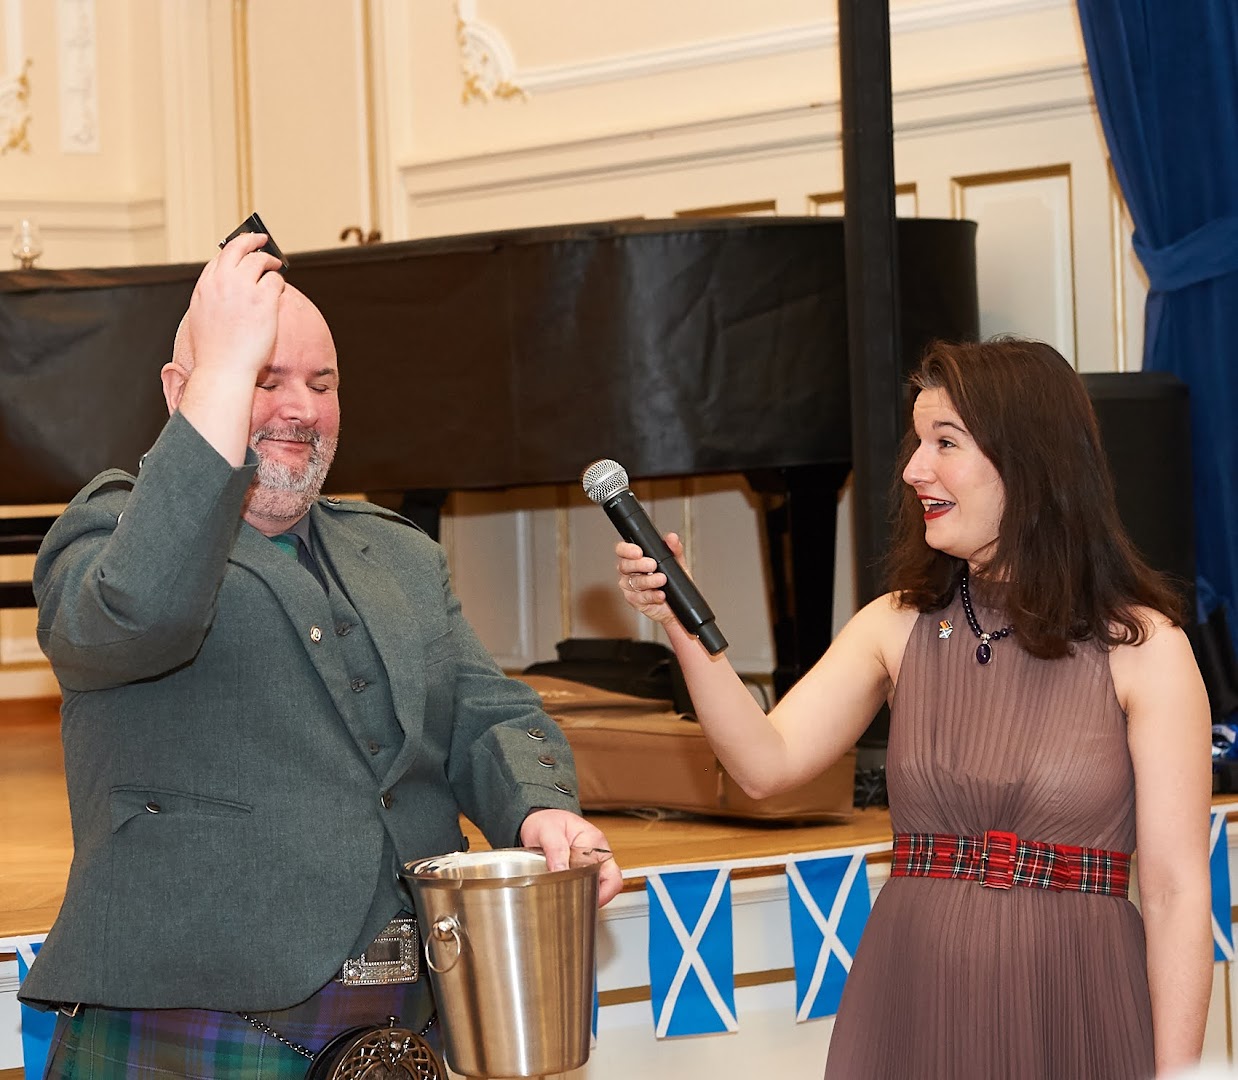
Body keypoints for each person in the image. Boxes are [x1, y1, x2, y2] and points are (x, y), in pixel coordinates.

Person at [23, 231, 621, 1078]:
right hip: (189, 1021)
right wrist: (222, 385)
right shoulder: (109, 535)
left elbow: (488, 715)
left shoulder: (400, 552)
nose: (299, 408)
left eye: (322, 382)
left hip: (405, 1021)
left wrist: (538, 810)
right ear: (181, 391)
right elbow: (136, 614)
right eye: (264, 378)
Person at [616, 338, 1212, 1079]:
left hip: (1078, 1006)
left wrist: (1182, 1075)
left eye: (945, 443)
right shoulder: (895, 624)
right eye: (917, 441)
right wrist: (684, 631)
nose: (912, 470)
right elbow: (764, 765)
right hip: (911, 999)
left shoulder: (1145, 646)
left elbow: (1177, 892)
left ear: (1029, 460)